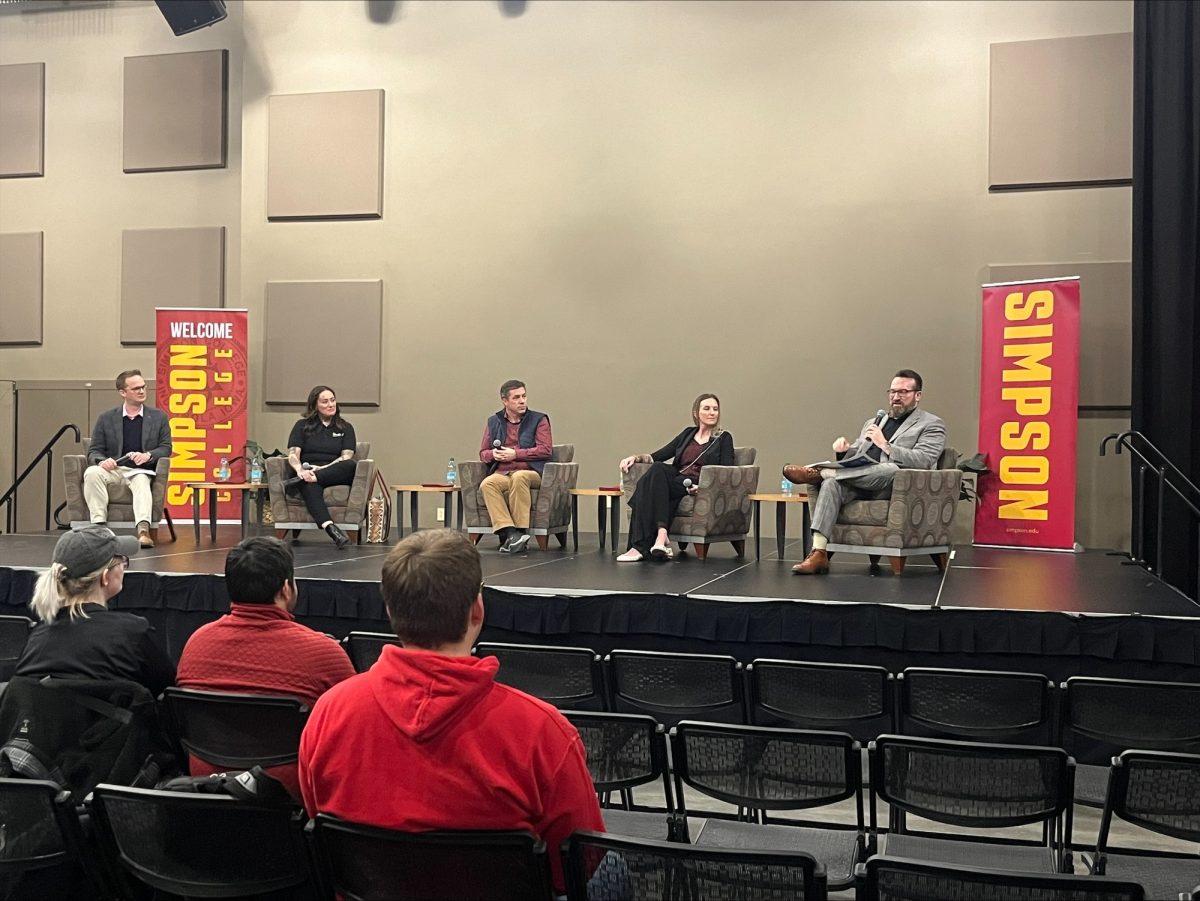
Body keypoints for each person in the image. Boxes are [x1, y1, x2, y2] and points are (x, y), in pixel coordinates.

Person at [299, 530, 604, 892]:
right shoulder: (542, 731)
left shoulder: (328, 713)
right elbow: (581, 864)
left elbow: (320, 825)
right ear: (477, 609)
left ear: (390, 610)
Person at [176, 537, 355, 798]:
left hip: (207, 783)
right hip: (291, 789)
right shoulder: (323, 652)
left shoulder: (196, 644)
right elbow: (352, 728)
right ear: (286, 589)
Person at [782, 369, 946, 574]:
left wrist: (886, 446)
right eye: (892, 391)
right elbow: (858, 457)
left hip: (895, 487)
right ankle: (819, 553)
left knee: (891, 468)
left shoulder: (931, 424)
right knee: (832, 484)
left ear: (917, 395)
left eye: (903, 392)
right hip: (862, 481)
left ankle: (821, 471)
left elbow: (924, 460)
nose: (896, 397)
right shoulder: (875, 421)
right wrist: (844, 452)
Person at [14, 526, 175, 695]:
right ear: (105, 577)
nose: (124, 568)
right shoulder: (133, 634)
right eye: (122, 562)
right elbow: (167, 690)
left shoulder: (37, 640)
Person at [616, 393, 734, 562]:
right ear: (696, 413)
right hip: (677, 478)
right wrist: (635, 458)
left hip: (696, 483)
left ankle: (638, 547)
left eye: (715, 409)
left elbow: (726, 470)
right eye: (706, 408)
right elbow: (661, 454)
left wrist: (703, 488)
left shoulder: (723, 438)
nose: (712, 413)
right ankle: (661, 535)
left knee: (646, 486)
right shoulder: (688, 433)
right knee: (657, 469)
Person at [83, 369, 173, 548]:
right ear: (123, 392)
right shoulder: (106, 418)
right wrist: (102, 461)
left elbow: (166, 448)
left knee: (140, 480)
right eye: (136, 388)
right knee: (92, 472)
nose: (142, 391)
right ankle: (99, 529)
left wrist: (148, 455)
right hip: (115, 471)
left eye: (143, 387)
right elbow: (94, 450)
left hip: (141, 470)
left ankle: (143, 532)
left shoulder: (158, 417)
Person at [477, 379, 553, 554]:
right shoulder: (493, 421)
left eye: (524, 396)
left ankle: (520, 531)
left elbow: (545, 450)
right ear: (505, 401)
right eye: (517, 397)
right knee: (487, 484)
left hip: (530, 471)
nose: (522, 401)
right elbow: (483, 452)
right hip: (503, 471)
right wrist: (493, 455)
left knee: (519, 477)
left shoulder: (539, 420)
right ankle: (512, 534)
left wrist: (516, 454)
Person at [286, 385, 358, 549]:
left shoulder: (345, 427)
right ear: (315, 405)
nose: (330, 404)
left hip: (334, 471)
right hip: (307, 471)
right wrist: (300, 470)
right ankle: (331, 528)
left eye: (332, 400)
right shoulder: (301, 426)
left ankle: (308, 478)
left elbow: (346, 456)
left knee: (350, 465)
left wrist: (320, 471)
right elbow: (293, 454)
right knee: (309, 484)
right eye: (325, 402)